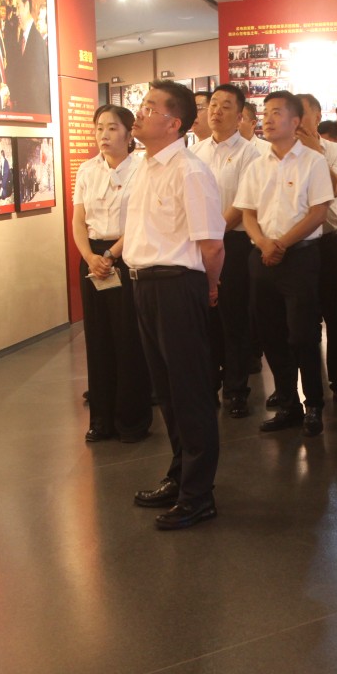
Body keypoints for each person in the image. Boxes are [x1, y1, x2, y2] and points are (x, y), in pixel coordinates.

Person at [124, 81, 227, 529]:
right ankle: (180, 473)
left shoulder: (190, 171)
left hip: (178, 286)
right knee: (166, 392)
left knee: (190, 391)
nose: (139, 113)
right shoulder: (144, 167)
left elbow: (212, 245)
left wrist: (209, 287)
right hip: (145, 286)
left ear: (174, 123)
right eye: (142, 105)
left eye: (150, 107)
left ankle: (199, 494)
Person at [237, 91, 335, 436]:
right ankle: (288, 404)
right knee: (271, 335)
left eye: (276, 112)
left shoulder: (313, 161)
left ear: (296, 122)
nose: (268, 118)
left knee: (303, 335)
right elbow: (248, 213)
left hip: (300, 257)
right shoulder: (256, 165)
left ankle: (314, 405)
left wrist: (281, 244)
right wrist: (265, 243)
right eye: (265, 112)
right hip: (262, 257)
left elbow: (319, 212)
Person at [72, 105, 153, 444]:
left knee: (129, 339)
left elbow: (141, 220)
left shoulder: (143, 168)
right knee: (98, 338)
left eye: (112, 128)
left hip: (126, 256)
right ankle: (101, 419)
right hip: (93, 260)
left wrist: (109, 255)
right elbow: (78, 220)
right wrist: (90, 256)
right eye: (99, 128)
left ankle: (131, 421)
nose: (103, 135)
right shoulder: (87, 169)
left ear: (129, 133)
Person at [192, 83, 261, 417]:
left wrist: (214, 232)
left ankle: (236, 389)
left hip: (232, 241)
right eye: (213, 105)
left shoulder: (250, 154)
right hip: (198, 243)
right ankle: (208, 384)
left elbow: (244, 203)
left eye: (225, 106)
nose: (216, 111)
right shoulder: (195, 152)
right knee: (205, 319)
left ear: (240, 115)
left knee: (234, 317)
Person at [301, 97, 337, 409]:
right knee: (300, 319)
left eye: (303, 113)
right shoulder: (281, 153)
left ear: (317, 115)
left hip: (327, 239)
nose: (297, 119)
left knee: (335, 315)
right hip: (295, 244)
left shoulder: (335, 150)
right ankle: (307, 390)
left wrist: (317, 152)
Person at [11, 0, 50, 114]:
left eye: (18, 7)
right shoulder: (20, 40)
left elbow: (39, 91)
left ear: (27, 5)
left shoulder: (37, 43)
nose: (16, 13)